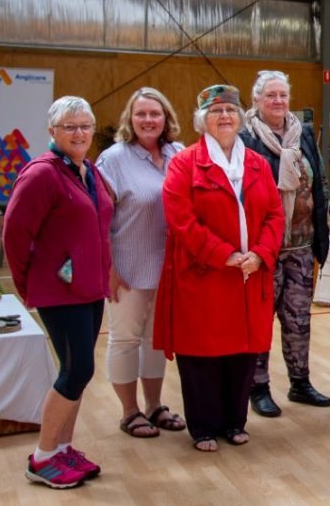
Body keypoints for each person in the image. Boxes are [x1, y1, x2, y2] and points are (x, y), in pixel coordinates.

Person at [154, 84, 284, 452]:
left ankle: (234, 422)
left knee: (242, 354)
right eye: (216, 112)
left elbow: (275, 213)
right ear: (202, 120)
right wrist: (223, 254)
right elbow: (181, 220)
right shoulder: (184, 163)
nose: (224, 117)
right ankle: (204, 427)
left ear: (240, 118)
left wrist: (259, 253)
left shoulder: (257, 163)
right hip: (205, 275)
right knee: (202, 356)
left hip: (248, 275)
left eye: (230, 110)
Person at [4, 96, 113, 488]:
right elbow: (14, 236)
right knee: (75, 370)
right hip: (59, 292)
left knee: (79, 373)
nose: (79, 133)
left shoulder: (88, 171)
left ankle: (63, 449)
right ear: (52, 131)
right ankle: (42, 457)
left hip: (89, 289)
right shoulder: (42, 174)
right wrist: (31, 284)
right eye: (69, 126)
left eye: (85, 125)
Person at [239, 70, 330, 417]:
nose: (278, 101)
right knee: (261, 321)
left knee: (298, 320)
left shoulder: (303, 133)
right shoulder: (246, 137)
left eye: (282, 95)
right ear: (257, 100)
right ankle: (258, 387)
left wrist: (322, 238)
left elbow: (318, 183)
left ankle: (300, 382)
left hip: (302, 245)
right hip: (263, 251)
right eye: (270, 95)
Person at [96, 88, 186, 439]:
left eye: (155, 114)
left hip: (169, 269)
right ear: (130, 120)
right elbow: (99, 218)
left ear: (166, 118)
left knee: (155, 341)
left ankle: (154, 406)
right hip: (128, 268)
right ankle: (130, 411)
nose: (148, 120)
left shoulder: (179, 154)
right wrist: (109, 267)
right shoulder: (114, 159)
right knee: (125, 340)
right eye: (141, 114)